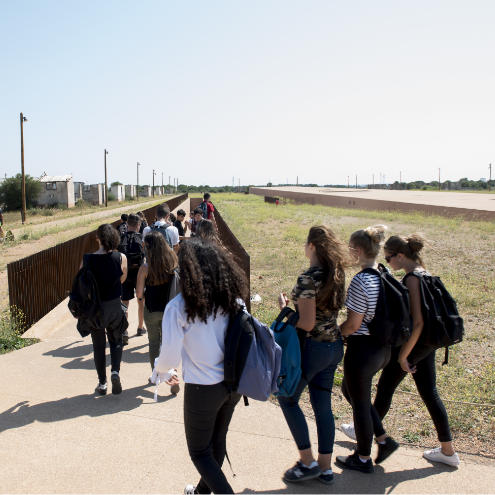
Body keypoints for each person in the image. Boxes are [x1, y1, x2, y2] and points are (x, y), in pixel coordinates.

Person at [152, 239, 248, 495]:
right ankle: (200, 492)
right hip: (234, 383)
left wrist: (158, 369)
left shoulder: (179, 306)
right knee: (217, 443)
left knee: (199, 453)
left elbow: (170, 358)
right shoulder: (234, 299)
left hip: (202, 388)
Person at [374, 233, 460, 466]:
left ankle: (365, 429)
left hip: (416, 344)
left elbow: (418, 322)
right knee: (430, 394)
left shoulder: (412, 279)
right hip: (430, 342)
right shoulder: (425, 272)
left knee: (384, 388)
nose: (389, 263)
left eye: (389, 259)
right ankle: (448, 451)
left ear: (400, 256)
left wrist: (403, 356)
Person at [276, 226, 351, 484]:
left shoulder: (307, 279)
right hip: (334, 347)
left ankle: (307, 462)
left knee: (287, 398)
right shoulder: (336, 274)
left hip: (314, 349)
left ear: (311, 247)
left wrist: (286, 311)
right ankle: (325, 467)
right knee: (323, 407)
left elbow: (307, 323)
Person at [336, 225, 399, 474]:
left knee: (360, 405)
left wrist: (335, 333)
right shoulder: (383, 274)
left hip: (362, 350)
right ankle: (382, 439)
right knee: (350, 391)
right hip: (383, 350)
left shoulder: (361, 280)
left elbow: (353, 324)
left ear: (358, 250)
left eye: (351, 248)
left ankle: (363, 458)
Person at [77, 224, 128, 395]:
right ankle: (115, 372)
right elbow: (122, 279)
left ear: (97, 238)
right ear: (114, 238)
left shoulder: (87, 259)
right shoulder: (121, 257)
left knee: (98, 346)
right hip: (114, 307)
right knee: (116, 340)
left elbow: (82, 284)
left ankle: (103, 383)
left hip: (95, 310)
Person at [136, 231, 180, 391]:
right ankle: (173, 375)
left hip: (152, 309)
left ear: (148, 247)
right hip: (171, 310)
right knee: (169, 344)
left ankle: (156, 375)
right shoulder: (173, 262)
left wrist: (143, 298)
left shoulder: (145, 268)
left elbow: (140, 294)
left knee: (154, 343)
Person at [120, 213, 146, 343]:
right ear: (137, 225)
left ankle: (124, 330)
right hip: (139, 274)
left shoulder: (121, 238)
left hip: (125, 273)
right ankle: (140, 327)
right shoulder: (141, 238)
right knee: (141, 300)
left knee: (125, 303)